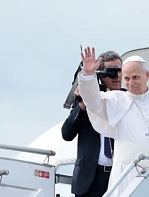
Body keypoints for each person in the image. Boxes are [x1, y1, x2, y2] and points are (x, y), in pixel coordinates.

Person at [78, 47, 149, 196]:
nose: (130, 83)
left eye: (135, 77)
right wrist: (89, 76)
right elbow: (93, 102)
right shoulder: (115, 100)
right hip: (126, 175)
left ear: (147, 75)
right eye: (127, 78)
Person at [61, 51, 123, 197]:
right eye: (112, 71)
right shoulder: (88, 98)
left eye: (120, 71)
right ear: (101, 74)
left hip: (118, 174)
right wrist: (82, 104)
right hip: (90, 178)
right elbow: (67, 134)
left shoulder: (127, 99)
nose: (118, 76)